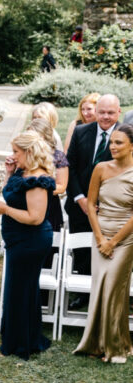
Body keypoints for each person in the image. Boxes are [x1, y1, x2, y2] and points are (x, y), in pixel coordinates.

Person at [0, 131, 55, 359]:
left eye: (16, 152)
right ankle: (20, 337)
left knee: (21, 290)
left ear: (29, 152)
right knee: (18, 289)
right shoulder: (23, 173)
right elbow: (10, 193)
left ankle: (21, 344)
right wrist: (8, 174)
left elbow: (35, 218)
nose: (13, 156)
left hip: (31, 242)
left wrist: (5, 210)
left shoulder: (37, 180)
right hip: (17, 240)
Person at [74, 124, 133, 362]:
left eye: (119, 143)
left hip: (126, 238)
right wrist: (99, 238)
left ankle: (116, 346)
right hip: (100, 233)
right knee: (99, 287)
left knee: (114, 289)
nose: (113, 147)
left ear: (132, 146)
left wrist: (114, 241)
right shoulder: (100, 168)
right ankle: (96, 343)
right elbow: (90, 203)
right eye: (112, 142)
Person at [66, 94, 122, 310]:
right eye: (102, 112)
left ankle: (107, 297)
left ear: (118, 112)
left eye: (110, 113)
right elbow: (69, 166)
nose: (105, 117)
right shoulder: (81, 132)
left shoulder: (126, 135)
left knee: (107, 251)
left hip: (111, 209)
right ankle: (84, 295)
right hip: (79, 205)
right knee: (82, 252)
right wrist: (80, 198)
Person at [26, 118, 69, 231]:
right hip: (25, 206)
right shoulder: (25, 156)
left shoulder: (57, 157)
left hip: (49, 206)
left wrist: (38, 191)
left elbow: (61, 186)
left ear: (43, 137)